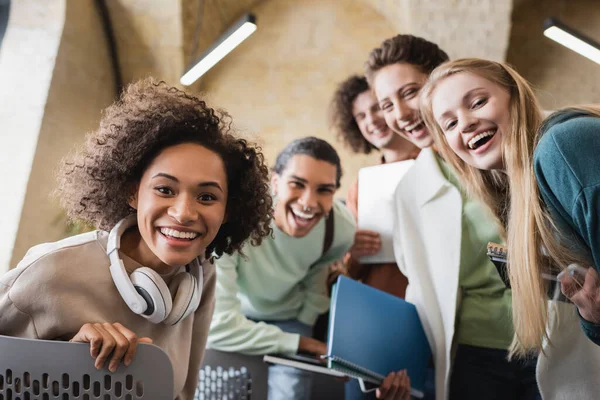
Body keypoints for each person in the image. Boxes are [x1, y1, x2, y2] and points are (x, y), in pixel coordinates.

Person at [0, 78, 273, 399]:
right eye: (165, 189)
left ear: (228, 211)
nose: (184, 212)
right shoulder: (52, 271)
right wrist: (67, 362)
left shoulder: (200, 278)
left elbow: (182, 393)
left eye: (207, 197)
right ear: (133, 191)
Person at [365, 35, 539, 400]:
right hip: (478, 353)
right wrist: (398, 366)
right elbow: (421, 288)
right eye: (386, 104)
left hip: (553, 337)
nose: (399, 114)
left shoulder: (520, 149)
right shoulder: (409, 190)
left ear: (442, 79)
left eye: (409, 92)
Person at [420, 57, 600, 399]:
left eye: (478, 102)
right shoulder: (522, 187)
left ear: (515, 97)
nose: (467, 123)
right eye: (450, 123)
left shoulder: (560, 146)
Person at [207, 137, 411, 400]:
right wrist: (301, 343)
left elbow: (317, 280)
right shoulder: (234, 223)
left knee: (290, 392)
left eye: (324, 190)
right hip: (238, 315)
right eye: (297, 184)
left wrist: (302, 326)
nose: (308, 202)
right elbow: (220, 325)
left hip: (292, 317)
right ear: (275, 181)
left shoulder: (339, 230)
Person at [329, 75, 420, 299]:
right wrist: (354, 251)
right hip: (381, 299)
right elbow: (351, 269)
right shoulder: (360, 186)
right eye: (360, 116)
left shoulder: (438, 165)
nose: (371, 121)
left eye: (377, 108)